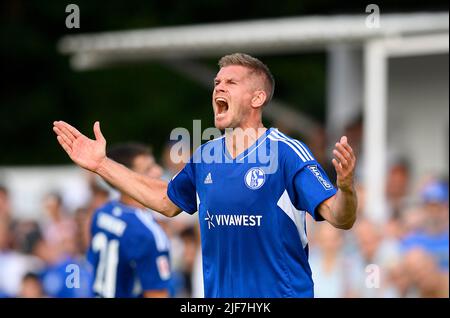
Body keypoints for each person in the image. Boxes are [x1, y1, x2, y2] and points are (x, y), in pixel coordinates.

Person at [53, 53, 357, 298]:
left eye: (231, 82)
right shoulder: (205, 156)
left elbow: (340, 217)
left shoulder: (287, 153)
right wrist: (101, 164)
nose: (219, 88)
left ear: (257, 98)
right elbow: (165, 200)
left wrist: (345, 187)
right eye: (217, 82)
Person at [86, 143, 172, 298]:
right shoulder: (147, 233)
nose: (159, 171)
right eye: (149, 169)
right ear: (126, 179)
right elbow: (156, 294)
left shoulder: (102, 213)